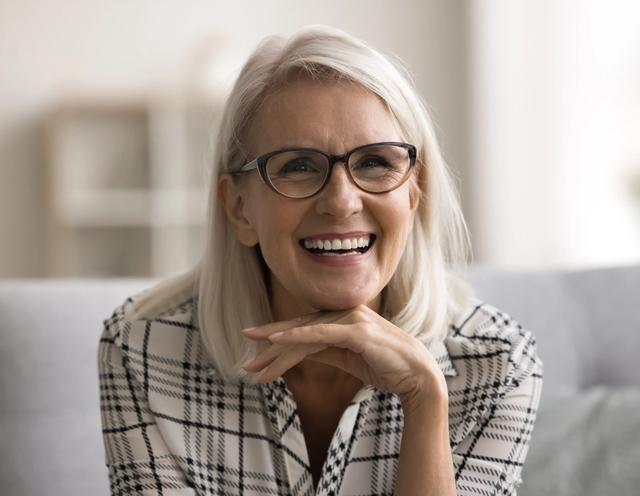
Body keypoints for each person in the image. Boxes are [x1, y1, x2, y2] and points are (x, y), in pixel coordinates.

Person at [98, 25, 543, 496]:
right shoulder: (143, 348)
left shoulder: (496, 361)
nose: (342, 202)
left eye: (375, 161)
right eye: (298, 165)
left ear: (415, 191)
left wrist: (424, 400)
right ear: (239, 208)